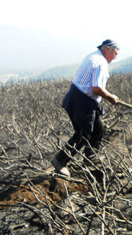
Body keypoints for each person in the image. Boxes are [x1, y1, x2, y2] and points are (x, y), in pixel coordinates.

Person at [51, 39, 120, 176]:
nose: (115, 58)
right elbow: (97, 88)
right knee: (83, 134)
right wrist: (110, 97)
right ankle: (60, 161)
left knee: (98, 128)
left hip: (80, 98)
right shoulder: (100, 63)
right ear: (108, 49)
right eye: (115, 54)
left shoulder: (93, 56)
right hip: (82, 101)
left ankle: (90, 158)